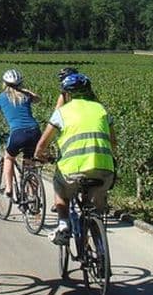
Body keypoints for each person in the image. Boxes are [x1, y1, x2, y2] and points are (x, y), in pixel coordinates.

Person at [34, 73, 116, 246]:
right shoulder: (101, 109)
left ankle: (63, 224)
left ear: (66, 94)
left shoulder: (61, 113)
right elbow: (113, 143)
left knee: (59, 188)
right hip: (104, 169)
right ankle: (97, 241)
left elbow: (42, 144)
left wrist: (40, 155)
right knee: (95, 206)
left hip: (73, 170)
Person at [0, 69, 41, 199]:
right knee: (29, 162)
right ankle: (33, 195)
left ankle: (8, 188)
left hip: (18, 133)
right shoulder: (25, 96)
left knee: (9, 158)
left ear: (4, 83)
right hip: (35, 131)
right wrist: (25, 90)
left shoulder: (1, 97)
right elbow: (38, 99)